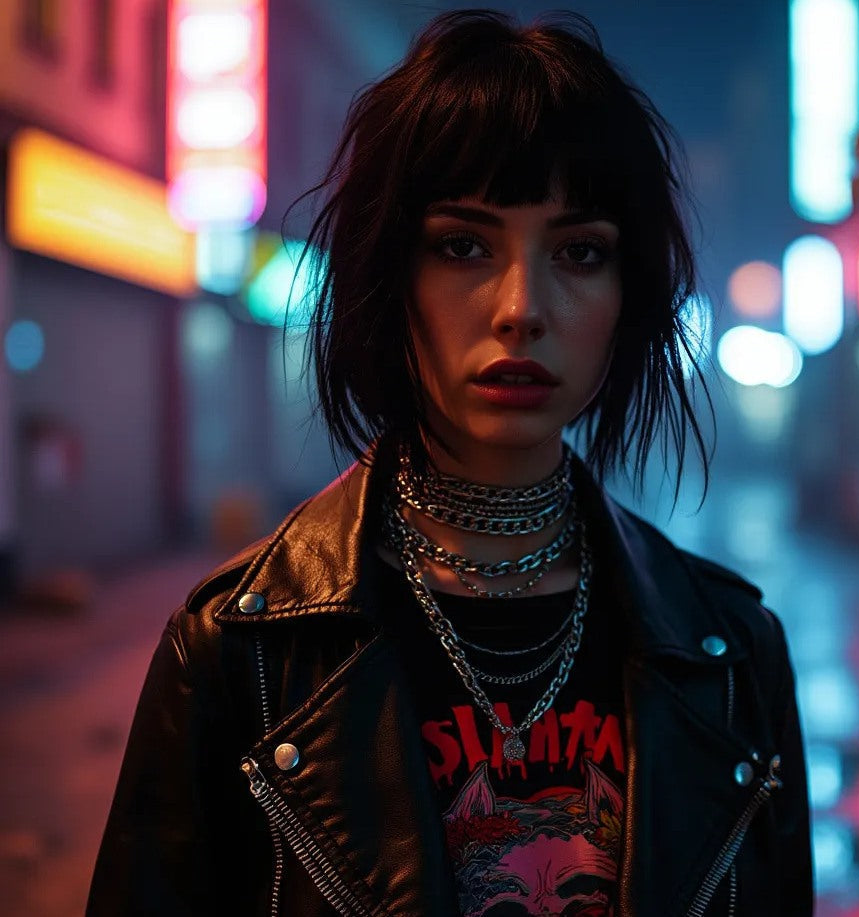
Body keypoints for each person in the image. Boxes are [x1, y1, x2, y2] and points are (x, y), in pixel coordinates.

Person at [87, 10, 812, 916]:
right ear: (390, 277)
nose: (521, 308)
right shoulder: (242, 652)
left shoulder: (731, 655)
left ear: (631, 297)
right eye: (463, 245)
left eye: (580, 252)